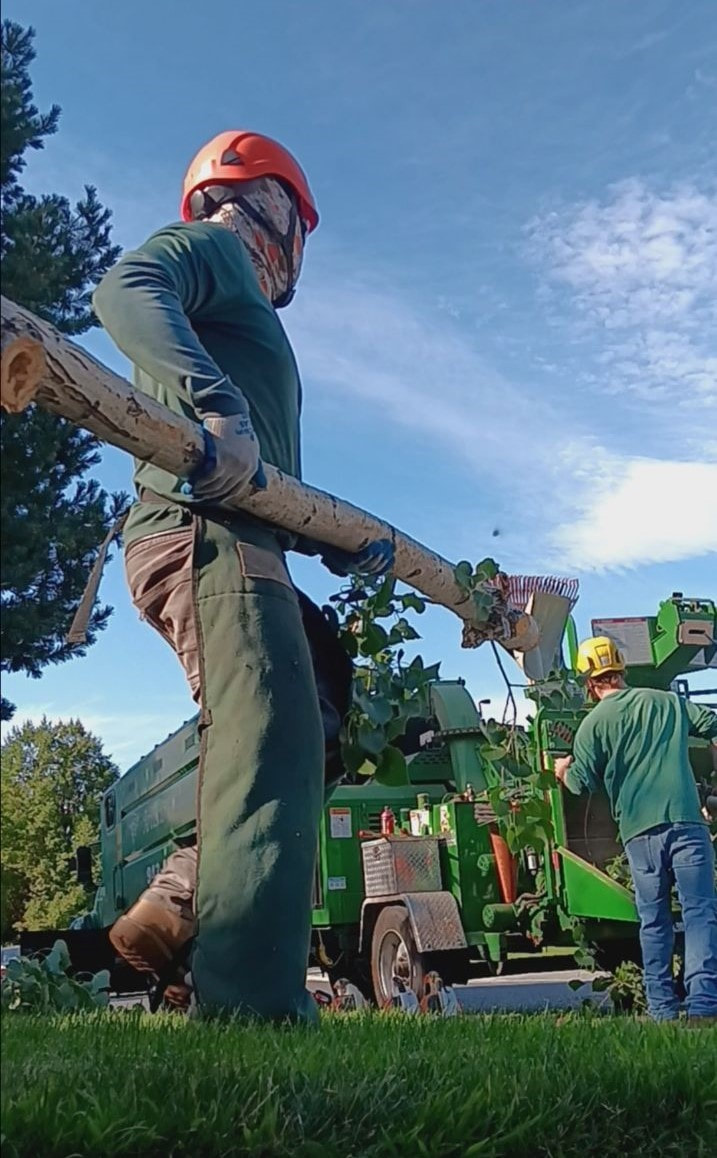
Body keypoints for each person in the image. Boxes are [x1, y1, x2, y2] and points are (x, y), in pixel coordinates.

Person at [92, 130, 393, 1022]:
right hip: (201, 533)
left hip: (243, 533)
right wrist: (215, 400)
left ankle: (185, 896)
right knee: (270, 732)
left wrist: (337, 540)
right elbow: (124, 288)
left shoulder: (243, 314)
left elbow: (259, 478)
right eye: (300, 224)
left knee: (319, 700)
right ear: (273, 209)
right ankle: (252, 1011)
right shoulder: (216, 245)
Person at [554, 635, 717, 1026]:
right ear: (620, 672)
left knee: (654, 919)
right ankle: (704, 1006)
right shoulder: (666, 701)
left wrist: (561, 770)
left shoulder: (594, 723)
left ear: (590, 683)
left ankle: (662, 1010)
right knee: (701, 914)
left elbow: (580, 784)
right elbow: (711, 724)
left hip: (640, 834)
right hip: (687, 821)